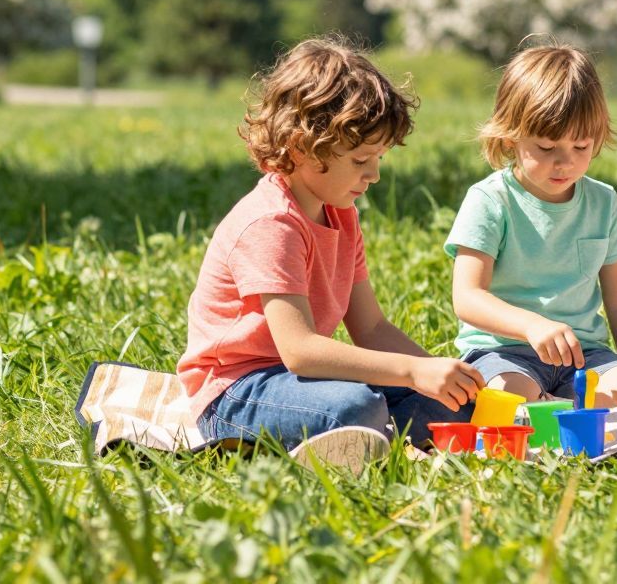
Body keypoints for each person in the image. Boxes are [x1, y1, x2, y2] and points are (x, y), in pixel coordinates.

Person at [177, 38, 482, 468]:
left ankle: (372, 442)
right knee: (356, 408)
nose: (374, 174)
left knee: (453, 407)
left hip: (299, 382)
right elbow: (299, 350)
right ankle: (363, 446)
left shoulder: (341, 215)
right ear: (303, 148)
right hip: (237, 393)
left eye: (378, 158)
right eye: (361, 160)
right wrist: (412, 373)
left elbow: (371, 328)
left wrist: (440, 374)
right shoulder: (271, 224)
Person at [447, 44, 617, 408]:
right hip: (505, 354)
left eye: (581, 146)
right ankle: (553, 408)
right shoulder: (490, 200)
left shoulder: (603, 202)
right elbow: (467, 297)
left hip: (582, 356)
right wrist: (531, 325)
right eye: (547, 147)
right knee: (507, 396)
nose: (565, 163)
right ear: (510, 138)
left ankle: (551, 409)